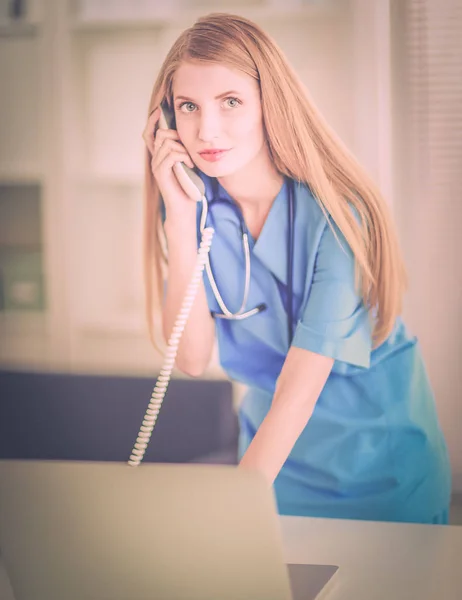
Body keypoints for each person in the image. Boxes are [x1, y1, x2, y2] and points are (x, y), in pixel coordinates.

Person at [141, 13, 452, 524]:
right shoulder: (193, 206)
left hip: (379, 463)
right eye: (188, 107)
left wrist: (233, 515)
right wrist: (178, 217)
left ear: (269, 105)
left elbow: (297, 393)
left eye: (231, 102)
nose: (206, 130)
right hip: (278, 466)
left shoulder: (337, 216)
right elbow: (192, 357)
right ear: (167, 123)